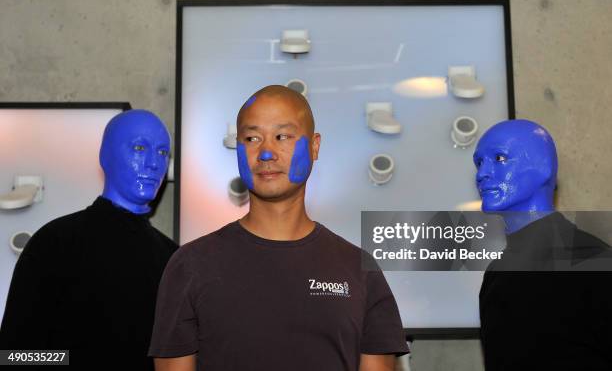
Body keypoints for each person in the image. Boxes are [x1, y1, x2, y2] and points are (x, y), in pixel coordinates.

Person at [148, 85, 408, 371]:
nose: (266, 153)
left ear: (314, 146)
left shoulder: (359, 270)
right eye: (251, 138)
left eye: (282, 136)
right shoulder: (191, 266)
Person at [0, 109, 178, 370]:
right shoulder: (55, 243)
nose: (153, 163)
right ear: (105, 156)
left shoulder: (174, 259)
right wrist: (76, 358)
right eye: (140, 147)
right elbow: (14, 355)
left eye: (163, 153)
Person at [473, 119, 612, 370]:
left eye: (499, 159)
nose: (482, 174)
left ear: (543, 168)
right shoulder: (497, 274)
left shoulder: (594, 264)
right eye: (479, 162)